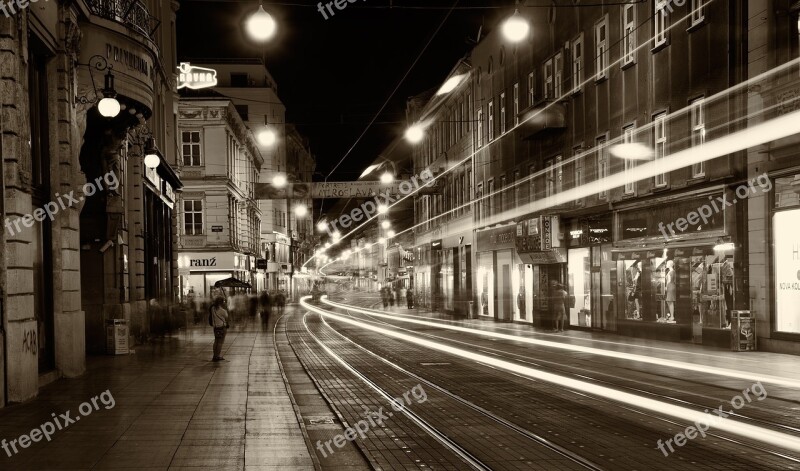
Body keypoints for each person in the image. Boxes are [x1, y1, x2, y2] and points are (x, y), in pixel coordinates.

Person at [210, 297, 229, 362]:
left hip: (215, 327)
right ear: (222, 303)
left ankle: (214, 355)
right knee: (220, 342)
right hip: (222, 327)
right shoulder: (223, 311)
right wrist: (226, 308)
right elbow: (227, 317)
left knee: (216, 341)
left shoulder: (213, 309)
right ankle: (217, 356)